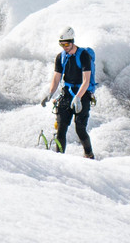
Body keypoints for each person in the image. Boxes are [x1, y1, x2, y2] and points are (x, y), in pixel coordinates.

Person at [41, 26, 94, 159]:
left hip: (82, 94)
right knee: (61, 128)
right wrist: (50, 93)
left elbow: (86, 80)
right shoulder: (61, 57)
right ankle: (59, 158)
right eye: (62, 44)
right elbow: (56, 78)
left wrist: (78, 97)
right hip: (67, 93)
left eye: (66, 44)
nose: (64, 47)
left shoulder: (84, 55)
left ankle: (89, 154)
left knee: (80, 129)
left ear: (72, 41)